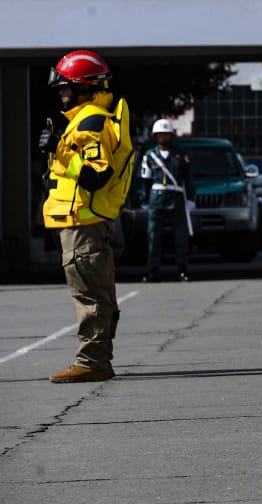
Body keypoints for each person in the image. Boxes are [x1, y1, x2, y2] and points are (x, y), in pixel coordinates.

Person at [39, 50, 135, 383]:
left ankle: (92, 362)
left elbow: (96, 175)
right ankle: (97, 359)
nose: (61, 94)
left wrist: (60, 150)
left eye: (65, 87)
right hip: (83, 220)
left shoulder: (91, 122)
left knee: (90, 295)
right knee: (98, 293)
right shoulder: (85, 120)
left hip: (84, 223)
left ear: (84, 87)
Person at [140, 118, 196, 282]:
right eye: (159, 135)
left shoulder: (181, 154)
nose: (163, 137)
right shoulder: (150, 155)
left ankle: (182, 270)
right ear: (155, 136)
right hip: (156, 199)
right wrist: (145, 199)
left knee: (180, 237)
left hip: (176, 198)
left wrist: (191, 198)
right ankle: (152, 271)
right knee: (153, 237)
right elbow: (145, 180)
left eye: (165, 134)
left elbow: (188, 178)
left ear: (171, 135)